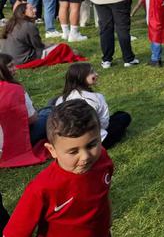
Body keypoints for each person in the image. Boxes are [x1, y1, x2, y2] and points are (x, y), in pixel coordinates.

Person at [3, 100, 114, 237]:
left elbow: (103, 194)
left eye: (91, 145)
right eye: (73, 152)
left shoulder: (102, 159)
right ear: (52, 150)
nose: (85, 157)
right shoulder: (42, 188)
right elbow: (14, 232)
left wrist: (108, 222)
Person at [55, 62, 132, 149]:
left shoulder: (61, 99)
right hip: (95, 141)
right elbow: (104, 123)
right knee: (123, 117)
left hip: (68, 142)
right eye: (92, 72)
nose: (96, 74)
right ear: (82, 77)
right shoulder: (96, 97)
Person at [0, 53, 50, 150]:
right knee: (49, 113)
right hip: (18, 140)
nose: (15, 68)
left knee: (46, 110)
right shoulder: (16, 90)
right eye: (10, 66)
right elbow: (32, 119)